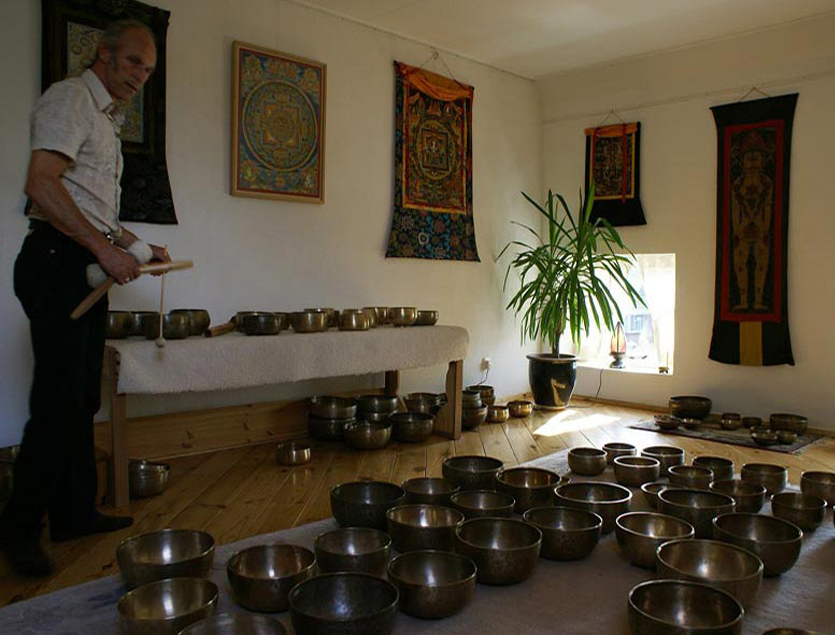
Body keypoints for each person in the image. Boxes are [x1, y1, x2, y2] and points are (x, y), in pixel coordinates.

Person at [0, 20, 169, 575]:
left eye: (148, 70)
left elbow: (95, 210)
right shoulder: (71, 98)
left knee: (80, 400)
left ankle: (73, 513)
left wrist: (138, 248)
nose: (140, 77)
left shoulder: (105, 121)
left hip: (82, 266)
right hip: (56, 264)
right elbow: (41, 184)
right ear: (104, 53)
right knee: (56, 402)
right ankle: (19, 531)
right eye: (133, 63)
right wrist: (105, 251)